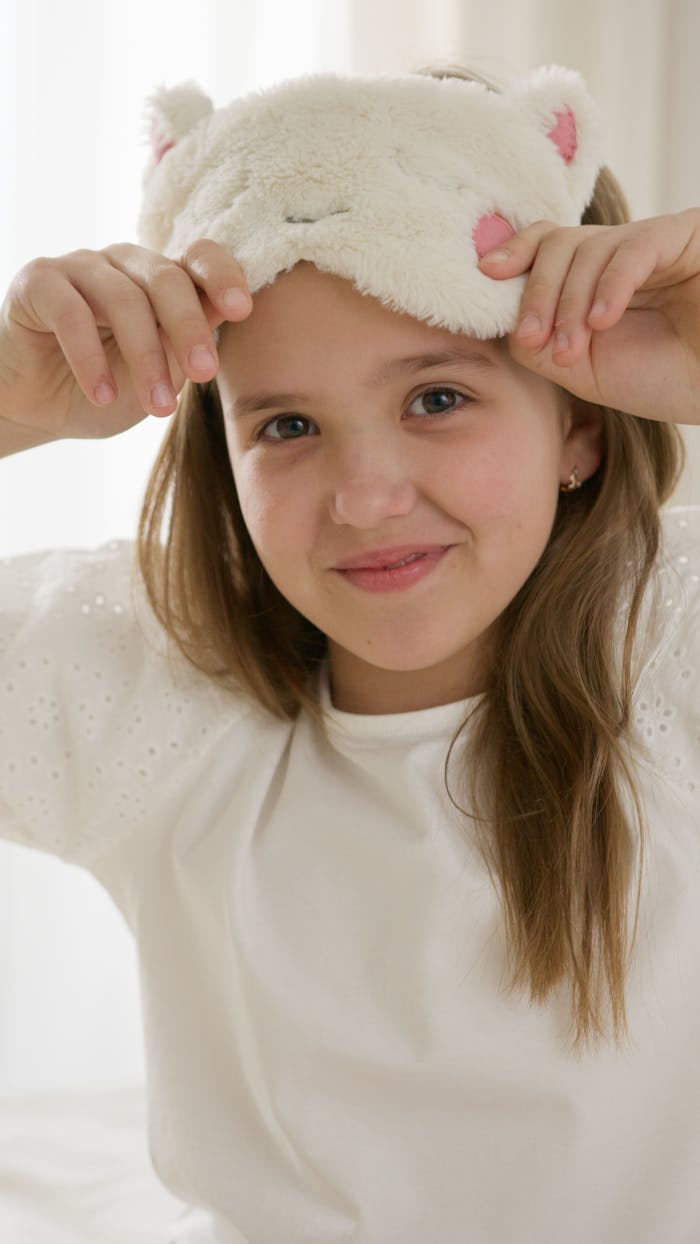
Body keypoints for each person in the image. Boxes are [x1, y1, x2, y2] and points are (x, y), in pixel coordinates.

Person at [1, 60, 699, 1244]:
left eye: (436, 398)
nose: (367, 499)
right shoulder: (146, 677)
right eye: (286, 425)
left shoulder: (670, 633)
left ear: (577, 419)